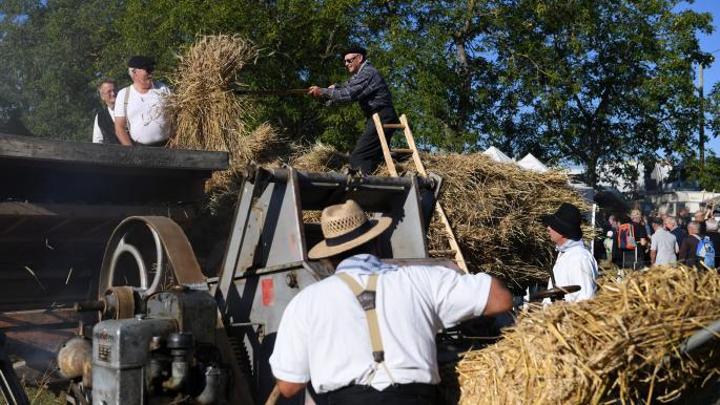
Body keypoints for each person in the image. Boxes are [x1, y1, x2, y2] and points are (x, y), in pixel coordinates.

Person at [269, 200, 512, 404]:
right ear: (376, 241)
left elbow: (290, 386)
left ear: (329, 258)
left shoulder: (306, 302)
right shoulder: (421, 278)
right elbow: (500, 299)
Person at [307, 46, 398, 174]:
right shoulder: (360, 74)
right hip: (378, 117)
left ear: (359, 58)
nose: (346, 64)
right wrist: (332, 90)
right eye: (345, 62)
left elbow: (349, 94)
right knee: (373, 156)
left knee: (359, 156)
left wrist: (323, 91)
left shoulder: (368, 72)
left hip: (382, 116)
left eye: (349, 60)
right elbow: (346, 86)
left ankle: (362, 186)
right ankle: (373, 181)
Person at [542, 203, 598, 302]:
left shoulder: (579, 259)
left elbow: (585, 300)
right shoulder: (565, 255)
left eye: (553, 226)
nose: (548, 228)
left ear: (563, 231)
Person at [114, 56, 171, 146]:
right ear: (134, 72)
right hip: (140, 150)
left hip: (168, 146)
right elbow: (119, 128)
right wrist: (132, 152)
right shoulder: (123, 95)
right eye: (147, 70)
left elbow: (177, 117)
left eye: (152, 69)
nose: (151, 73)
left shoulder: (163, 89)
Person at [92, 79, 119, 144]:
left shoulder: (129, 109)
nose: (113, 94)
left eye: (114, 90)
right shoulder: (99, 117)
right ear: (102, 96)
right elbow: (97, 143)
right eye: (109, 91)